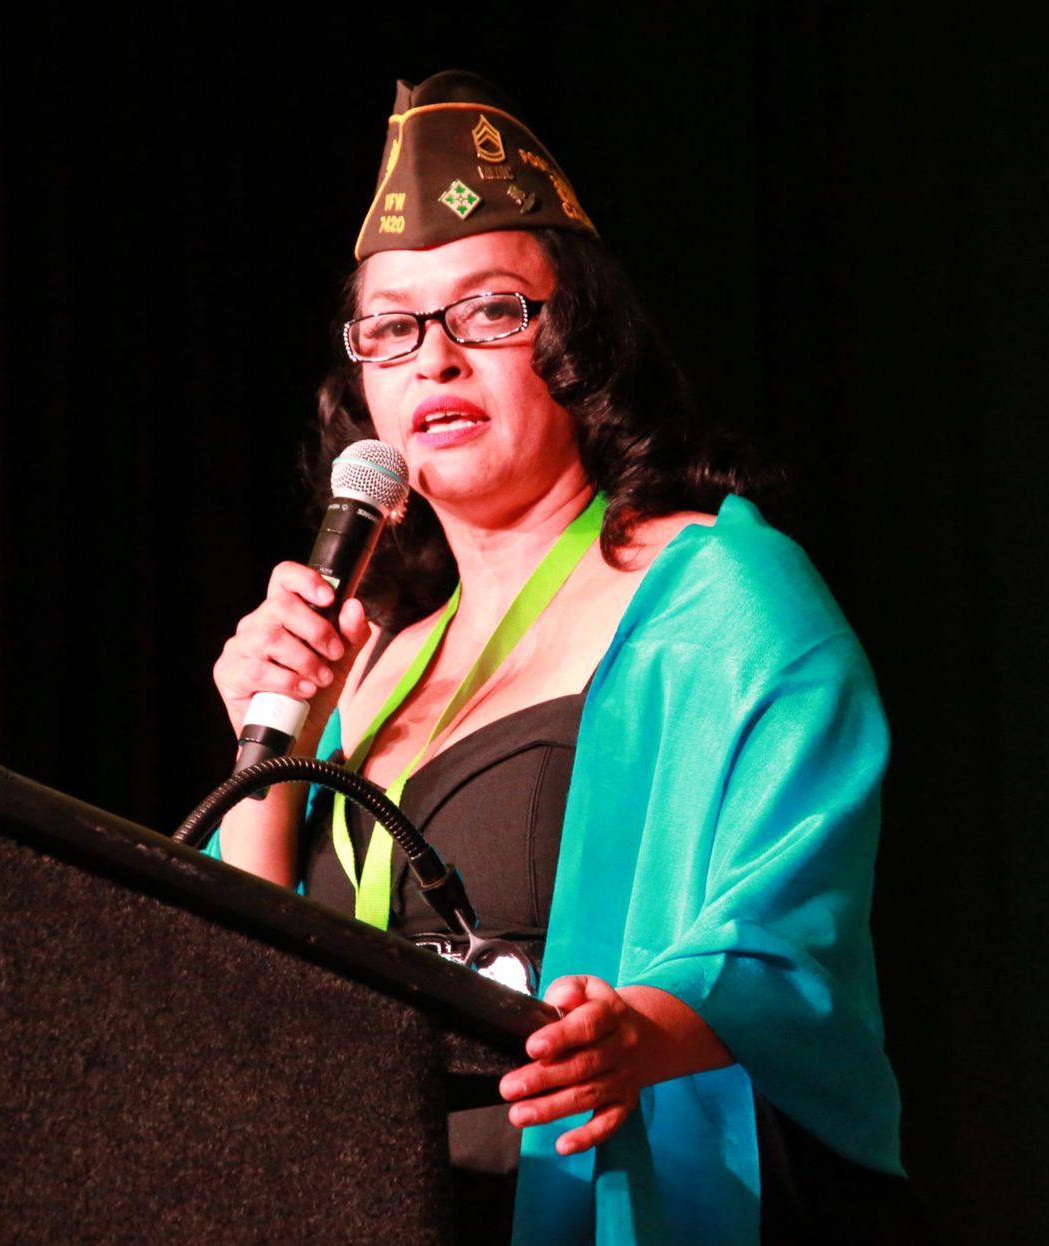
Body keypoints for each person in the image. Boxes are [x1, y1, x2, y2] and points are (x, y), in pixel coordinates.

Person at [208, 71, 903, 1245]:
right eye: (392, 326)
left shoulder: (710, 594)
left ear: (575, 338)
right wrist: (264, 752)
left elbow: (797, 918)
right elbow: (245, 987)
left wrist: (647, 1028)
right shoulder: (368, 654)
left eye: (488, 311)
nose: (434, 358)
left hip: (601, 1198)